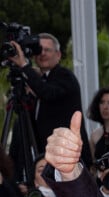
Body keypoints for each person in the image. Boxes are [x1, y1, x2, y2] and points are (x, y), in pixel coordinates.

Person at [6, 33, 92, 169]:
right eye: (39, 50)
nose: (43, 54)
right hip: (47, 155)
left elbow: (47, 93)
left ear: (58, 55)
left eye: (48, 50)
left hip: (67, 157)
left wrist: (24, 66)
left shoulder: (64, 76)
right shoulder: (41, 80)